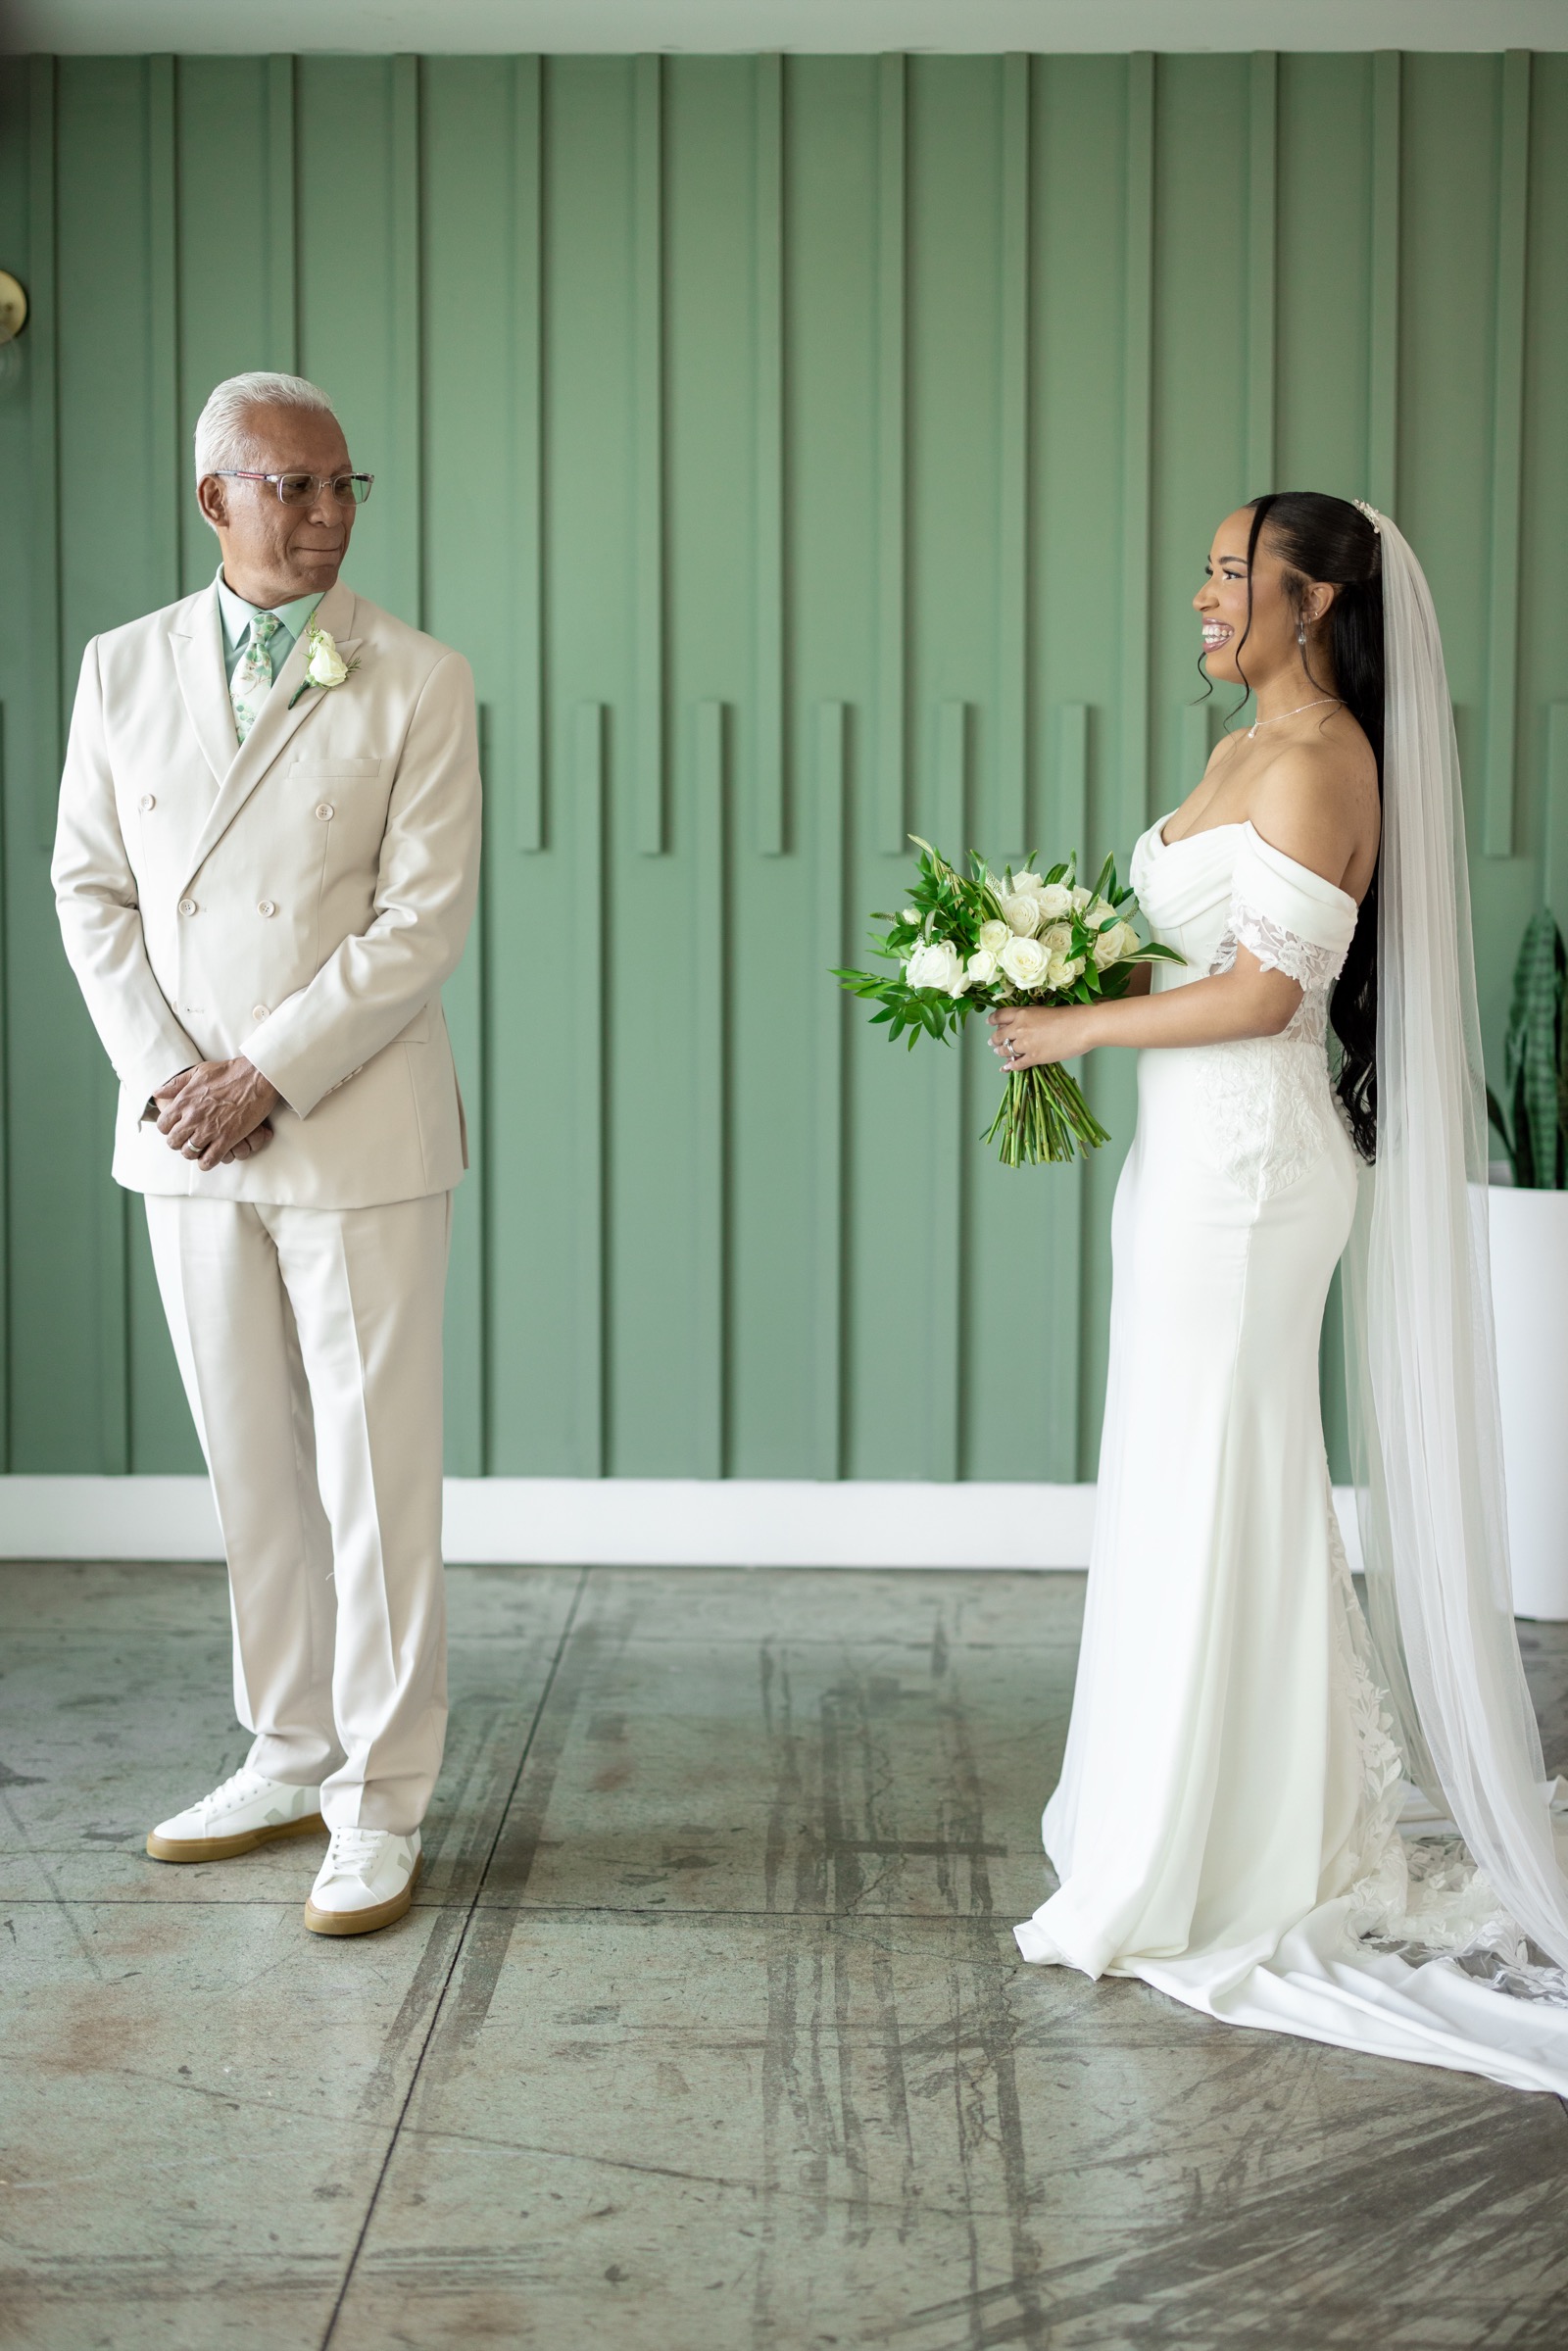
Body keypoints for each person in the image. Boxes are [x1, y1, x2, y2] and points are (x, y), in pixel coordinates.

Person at [991, 492, 1568, 2092]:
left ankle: (1224, 1851)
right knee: (1186, 1478)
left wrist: (1076, 1034)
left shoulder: (1320, 765)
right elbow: (1196, 948)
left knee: (1224, 1478)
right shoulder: (1250, 744)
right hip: (1181, 1177)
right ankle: (1192, 1811)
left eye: (1228, 571)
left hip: (1251, 1178)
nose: (1200, 592)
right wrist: (1061, 970)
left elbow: (1259, 996)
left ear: (1311, 603)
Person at [52, 371, 481, 1936]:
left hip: (352, 1122)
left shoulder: (417, 677)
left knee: (375, 1482)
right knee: (253, 1470)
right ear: (213, 501)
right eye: (290, 488)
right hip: (184, 1135)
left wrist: (266, 1072)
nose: (324, 516)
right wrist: (179, 1078)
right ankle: (288, 1747)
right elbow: (87, 892)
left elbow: (419, 921)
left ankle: (382, 1798)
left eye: (344, 485)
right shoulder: (120, 668)